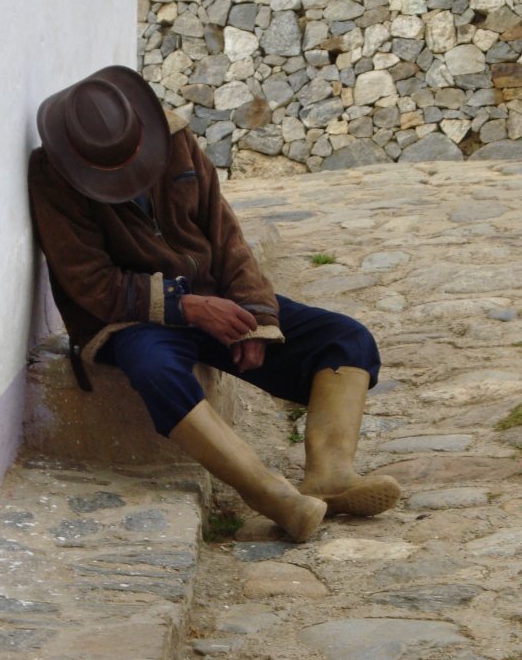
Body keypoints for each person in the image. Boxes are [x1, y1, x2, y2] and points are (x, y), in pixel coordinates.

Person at [28, 65, 401, 543]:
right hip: (130, 320)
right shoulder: (52, 175)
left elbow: (226, 237)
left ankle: (330, 474)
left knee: (345, 338)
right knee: (155, 369)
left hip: (218, 300)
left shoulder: (176, 139)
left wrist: (258, 319)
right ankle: (270, 495)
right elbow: (92, 283)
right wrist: (188, 307)